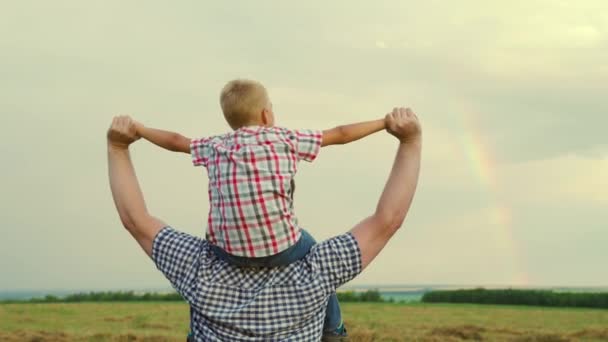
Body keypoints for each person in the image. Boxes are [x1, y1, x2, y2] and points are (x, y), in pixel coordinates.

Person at [107, 107, 422, 341]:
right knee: (308, 242)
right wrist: (409, 140)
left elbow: (136, 220)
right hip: (307, 278)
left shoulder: (196, 269)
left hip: (214, 274)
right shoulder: (317, 270)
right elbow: (387, 220)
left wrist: (118, 147)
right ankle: (333, 332)